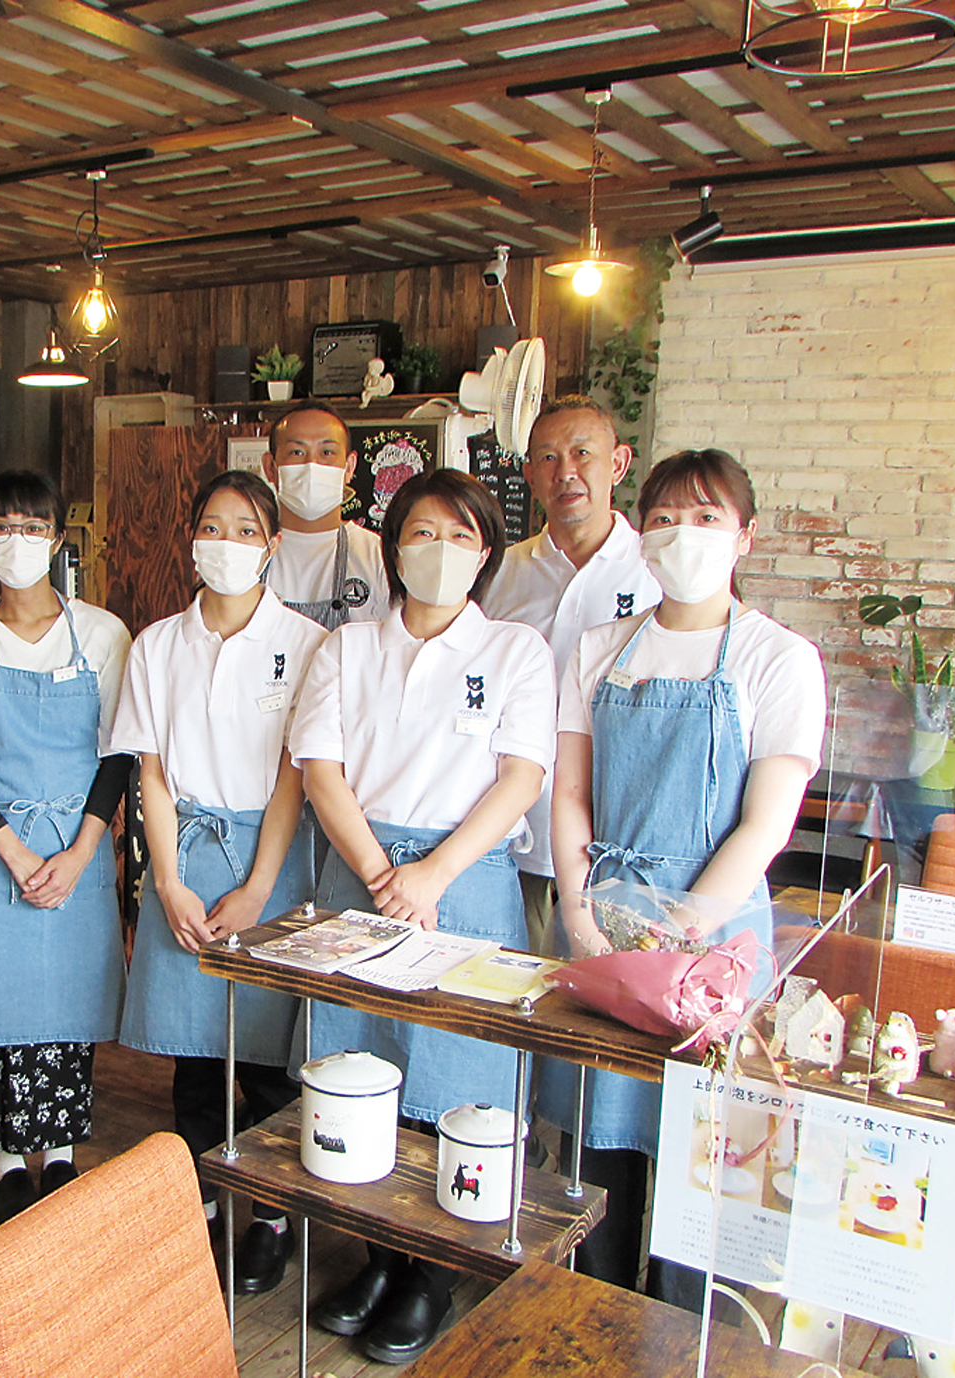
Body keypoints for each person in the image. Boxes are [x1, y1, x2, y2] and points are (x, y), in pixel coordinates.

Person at [288, 467, 555, 1364]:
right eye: (421, 534)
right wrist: (380, 872)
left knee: (451, 1079)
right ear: (392, 545)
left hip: (464, 884)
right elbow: (320, 769)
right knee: (356, 1068)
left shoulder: (516, 651)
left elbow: (520, 775)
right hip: (360, 875)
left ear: (485, 552)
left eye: (460, 536)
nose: (438, 553)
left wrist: (431, 873)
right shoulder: (346, 649)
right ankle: (375, 1255)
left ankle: (430, 1275)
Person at [546, 447, 826, 1303]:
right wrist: (578, 909)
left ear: (745, 537)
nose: (682, 534)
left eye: (706, 518)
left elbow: (765, 821)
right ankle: (591, 1327)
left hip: (716, 939)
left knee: (705, 1166)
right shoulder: (599, 648)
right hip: (605, 917)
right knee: (599, 1155)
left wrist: (684, 929)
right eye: (664, 516)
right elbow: (569, 793)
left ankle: (683, 1341)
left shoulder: (779, 659)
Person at [112, 470, 327, 1294]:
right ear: (190, 539)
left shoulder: (306, 643)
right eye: (212, 526)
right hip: (187, 859)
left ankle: (272, 1216)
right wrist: (165, 881)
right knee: (194, 1058)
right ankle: (199, 1207)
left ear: (273, 545)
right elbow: (152, 776)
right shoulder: (157, 644)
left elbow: (294, 776)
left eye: (245, 529)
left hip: (273, 861)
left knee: (270, 1061)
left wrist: (261, 885)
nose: (226, 543)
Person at [0, 471, 133, 1227]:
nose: (16, 540)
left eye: (31, 527)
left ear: (56, 541)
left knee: (66, 1008)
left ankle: (62, 1153)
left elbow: (118, 756)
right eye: (1, 526)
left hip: (77, 847)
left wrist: (77, 855)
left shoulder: (102, 634)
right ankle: (7, 1161)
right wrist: (14, 855)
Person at [482, 399, 660, 952]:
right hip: (517, 836)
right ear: (530, 475)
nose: (567, 472)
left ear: (619, 463)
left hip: (620, 845)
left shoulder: (659, 573)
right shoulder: (501, 574)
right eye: (549, 458)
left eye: (583, 453)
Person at [262, 402, 386, 630]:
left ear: (349, 467)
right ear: (270, 467)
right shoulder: (251, 553)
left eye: (327, 452)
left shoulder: (378, 555)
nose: (312, 464)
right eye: (296, 452)